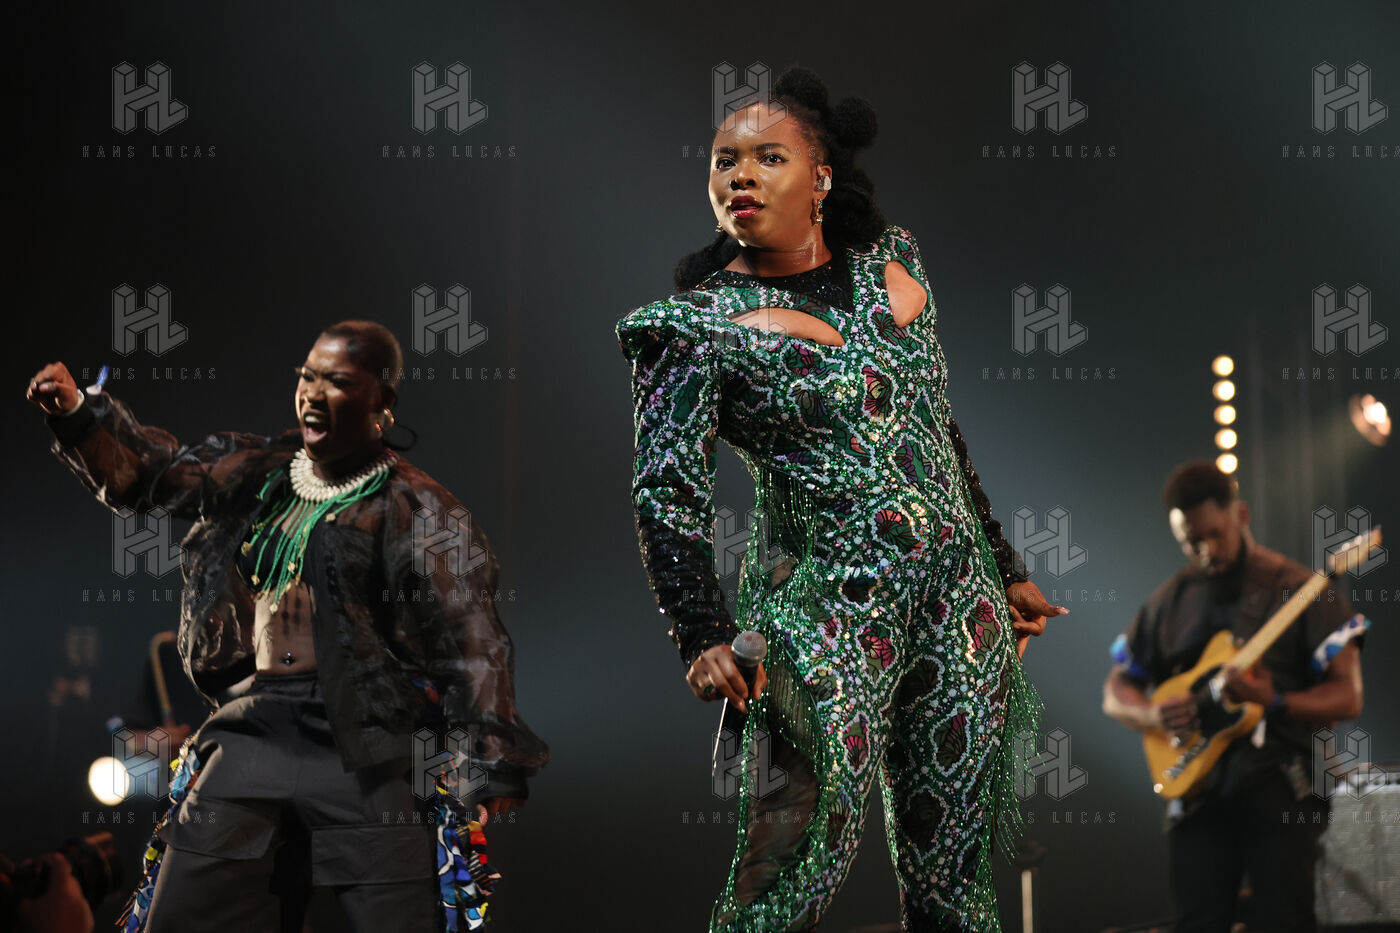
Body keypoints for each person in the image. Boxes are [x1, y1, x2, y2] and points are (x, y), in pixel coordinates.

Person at [617, 66, 1064, 932]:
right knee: (796, 862)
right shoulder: (695, 326)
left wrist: (1004, 565)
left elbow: (934, 427)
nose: (740, 176)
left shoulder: (894, 269)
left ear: (821, 176)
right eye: (724, 161)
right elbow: (665, 488)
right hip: (822, 613)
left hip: (956, 602)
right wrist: (700, 630)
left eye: (767, 157)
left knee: (954, 878)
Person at [27, 320, 548, 932]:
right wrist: (79, 413)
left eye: (337, 381)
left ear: (381, 401)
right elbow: (153, 473)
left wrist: (488, 762)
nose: (313, 394)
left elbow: (471, 634)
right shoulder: (262, 471)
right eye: (307, 377)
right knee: (178, 912)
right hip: (258, 725)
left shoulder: (419, 505)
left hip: (365, 739)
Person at [1102, 460, 1368, 933]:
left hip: (1280, 789)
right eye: (1191, 541)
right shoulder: (1169, 601)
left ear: (1240, 515)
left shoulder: (1298, 589)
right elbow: (1116, 688)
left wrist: (1276, 701)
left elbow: (1349, 697)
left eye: (1215, 534)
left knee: (1284, 922)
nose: (1206, 550)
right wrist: (1153, 715)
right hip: (1197, 796)